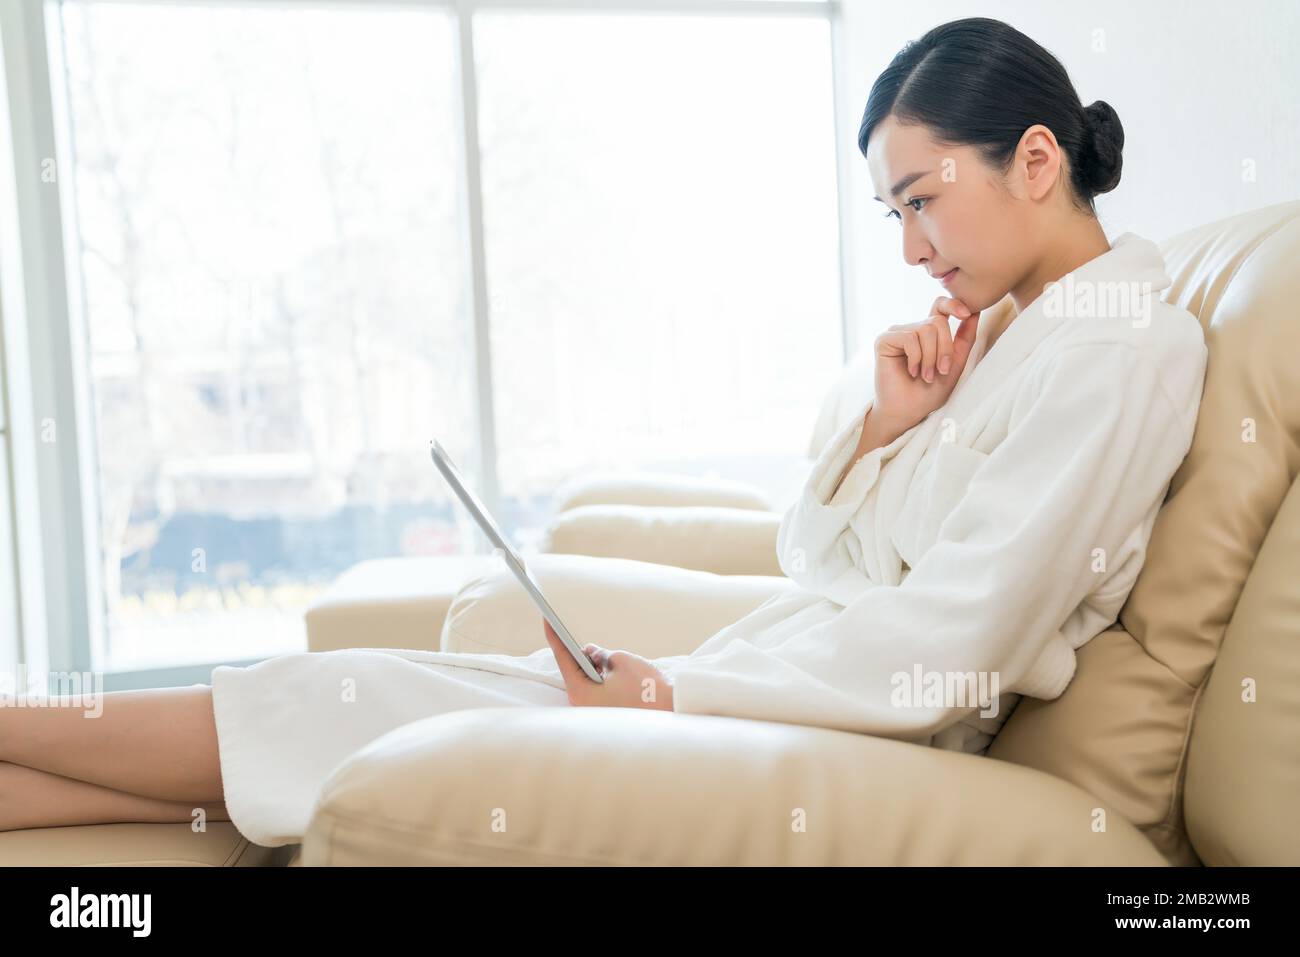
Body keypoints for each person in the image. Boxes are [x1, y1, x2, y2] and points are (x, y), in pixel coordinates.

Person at [0, 16, 1207, 848]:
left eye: (922, 201)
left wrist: (675, 696)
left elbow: (962, 633)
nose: (909, 248)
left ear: (1035, 159)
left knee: (382, 697)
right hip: (794, 670)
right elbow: (821, 558)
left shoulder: (1123, 348)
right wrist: (891, 428)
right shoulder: (1002, 340)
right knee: (382, 694)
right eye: (891, 214)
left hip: (873, 727)